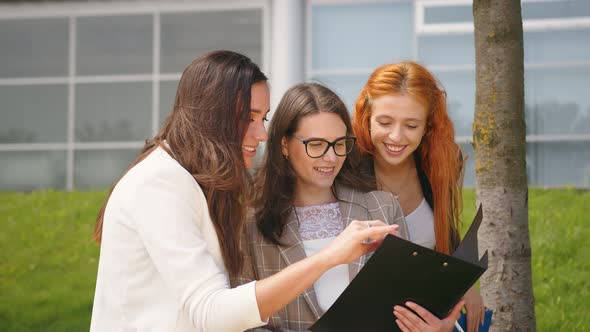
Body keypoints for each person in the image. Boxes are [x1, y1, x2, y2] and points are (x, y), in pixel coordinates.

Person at [89, 51, 398, 332]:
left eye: (262, 118)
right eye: (248, 118)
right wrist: (327, 258)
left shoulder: (199, 182)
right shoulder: (159, 185)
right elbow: (211, 314)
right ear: (210, 114)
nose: (262, 133)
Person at [235, 83, 464, 332]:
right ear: (284, 145)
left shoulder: (382, 207)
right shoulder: (249, 224)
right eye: (316, 144)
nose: (331, 158)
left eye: (339, 143)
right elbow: (240, 323)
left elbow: (404, 310)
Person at [353, 61, 485, 332]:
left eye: (411, 125)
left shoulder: (438, 165)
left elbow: (445, 234)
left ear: (427, 126)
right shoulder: (345, 170)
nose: (396, 137)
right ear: (367, 118)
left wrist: (465, 284)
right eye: (385, 122)